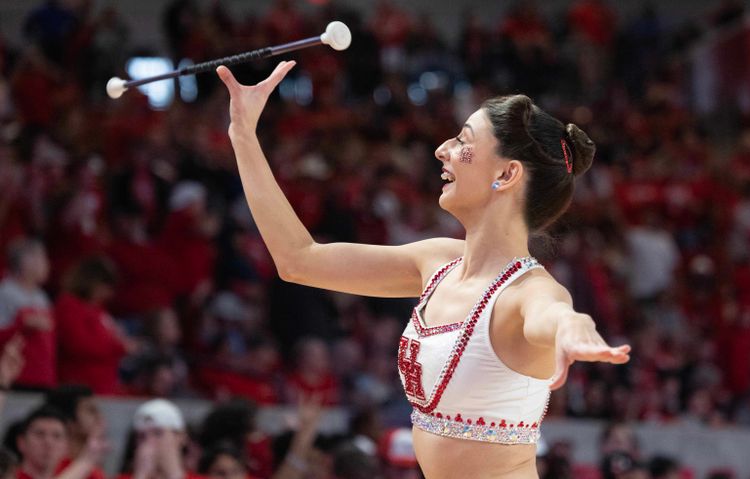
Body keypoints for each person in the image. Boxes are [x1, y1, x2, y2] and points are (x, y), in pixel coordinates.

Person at [217, 60, 631, 479]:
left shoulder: (528, 290)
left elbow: (556, 313)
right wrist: (244, 135)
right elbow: (298, 260)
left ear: (506, 174)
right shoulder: (436, 261)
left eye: (462, 139)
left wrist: (573, 331)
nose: (442, 149)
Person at [54, 256, 133, 395]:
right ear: (91, 282)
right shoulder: (69, 305)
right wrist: (118, 346)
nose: (109, 293)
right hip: (79, 386)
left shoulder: (100, 310)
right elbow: (77, 344)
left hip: (104, 386)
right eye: (105, 286)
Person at [0, 239, 55, 390]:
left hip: (42, 375)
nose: (46, 264)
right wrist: (23, 324)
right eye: (41, 258)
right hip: (15, 375)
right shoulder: (5, 292)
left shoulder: (41, 297)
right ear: (25, 261)